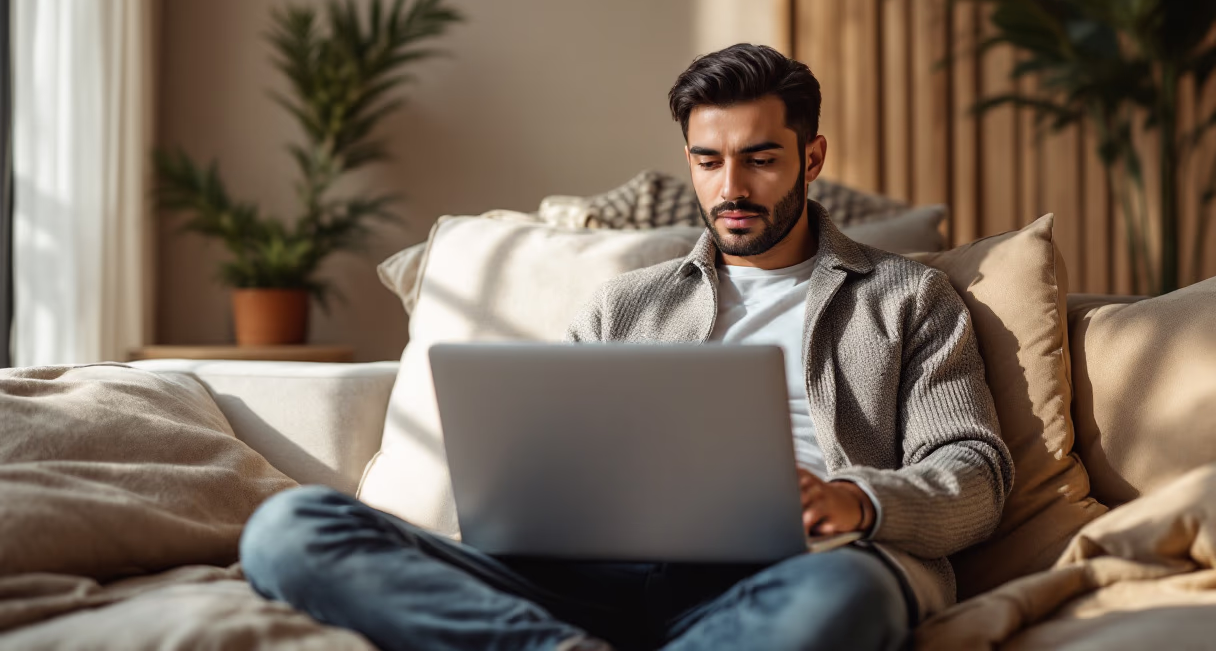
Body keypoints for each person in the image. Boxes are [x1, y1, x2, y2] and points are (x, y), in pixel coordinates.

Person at [239, 43, 1014, 651]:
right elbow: (548, 466)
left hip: (793, 572)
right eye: (708, 161)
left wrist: (854, 500)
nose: (731, 187)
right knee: (292, 529)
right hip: (588, 579)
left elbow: (975, 473)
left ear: (811, 159)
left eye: (761, 158)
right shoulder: (625, 304)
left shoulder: (905, 297)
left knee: (854, 598)